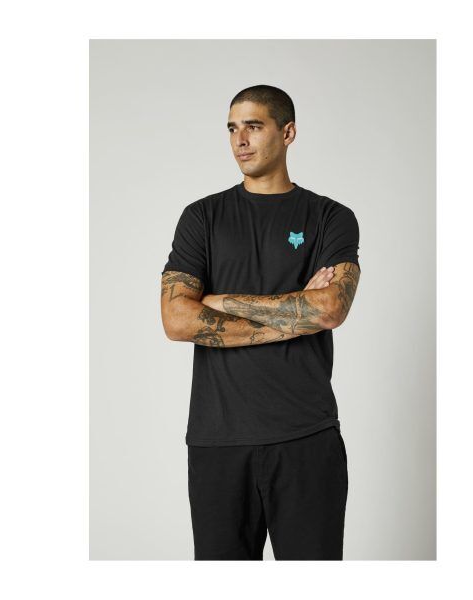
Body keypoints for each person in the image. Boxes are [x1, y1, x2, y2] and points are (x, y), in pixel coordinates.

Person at [160, 84, 361, 560]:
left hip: (306, 437)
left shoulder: (331, 217)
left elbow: (330, 309)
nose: (240, 140)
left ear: (287, 132)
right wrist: (295, 316)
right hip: (218, 440)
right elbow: (176, 318)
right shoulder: (202, 217)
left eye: (254, 126)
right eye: (233, 128)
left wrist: (219, 301)